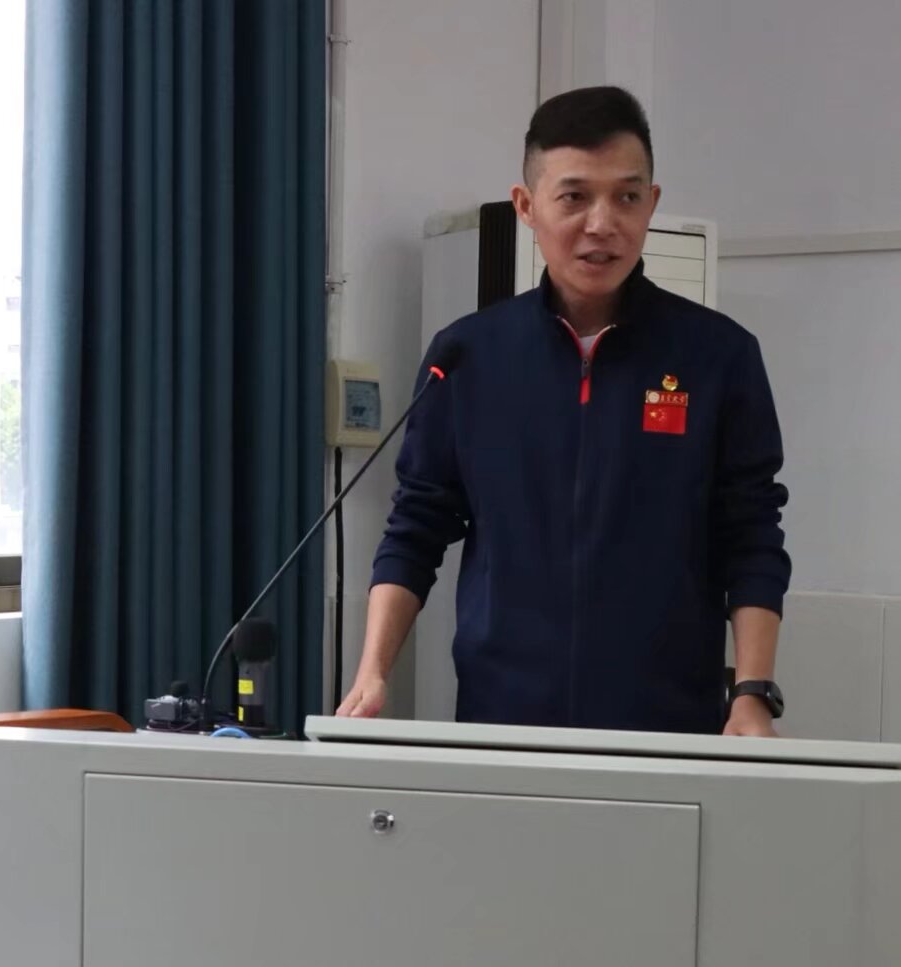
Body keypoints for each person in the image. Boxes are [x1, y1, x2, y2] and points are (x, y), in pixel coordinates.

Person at [337, 85, 790, 736]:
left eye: (626, 197)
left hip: (668, 724)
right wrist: (372, 671)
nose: (602, 224)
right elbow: (416, 525)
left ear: (651, 203)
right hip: (503, 719)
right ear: (526, 206)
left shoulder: (718, 356)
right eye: (574, 197)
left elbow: (751, 535)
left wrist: (751, 693)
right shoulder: (467, 356)